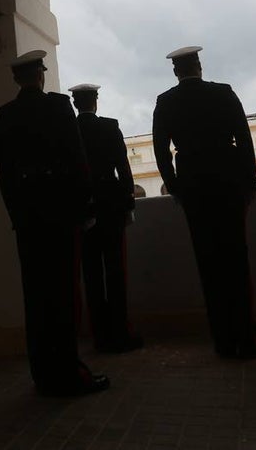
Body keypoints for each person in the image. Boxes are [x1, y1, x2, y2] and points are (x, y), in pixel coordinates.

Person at [0, 50, 109, 397]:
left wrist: (17, 216)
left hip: (28, 218)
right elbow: (78, 159)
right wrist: (85, 207)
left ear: (16, 79)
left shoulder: (4, 116)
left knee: (36, 295)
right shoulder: (59, 107)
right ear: (41, 75)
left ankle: (42, 373)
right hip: (61, 213)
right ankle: (69, 373)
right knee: (65, 293)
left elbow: (4, 174)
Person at [152, 46, 256, 359]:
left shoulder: (165, 102)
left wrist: (176, 187)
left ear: (176, 71)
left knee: (208, 263)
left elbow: (161, 151)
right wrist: (249, 179)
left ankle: (222, 339)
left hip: (193, 187)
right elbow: (244, 138)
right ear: (199, 65)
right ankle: (246, 337)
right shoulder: (223, 93)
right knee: (236, 260)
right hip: (228, 181)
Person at [68, 83, 142, 353]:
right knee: (115, 272)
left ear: (75, 103)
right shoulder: (110, 127)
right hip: (111, 206)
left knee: (91, 275)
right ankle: (120, 332)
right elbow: (123, 167)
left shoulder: (70, 131)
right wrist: (128, 202)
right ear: (95, 101)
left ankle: (100, 335)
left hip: (84, 208)